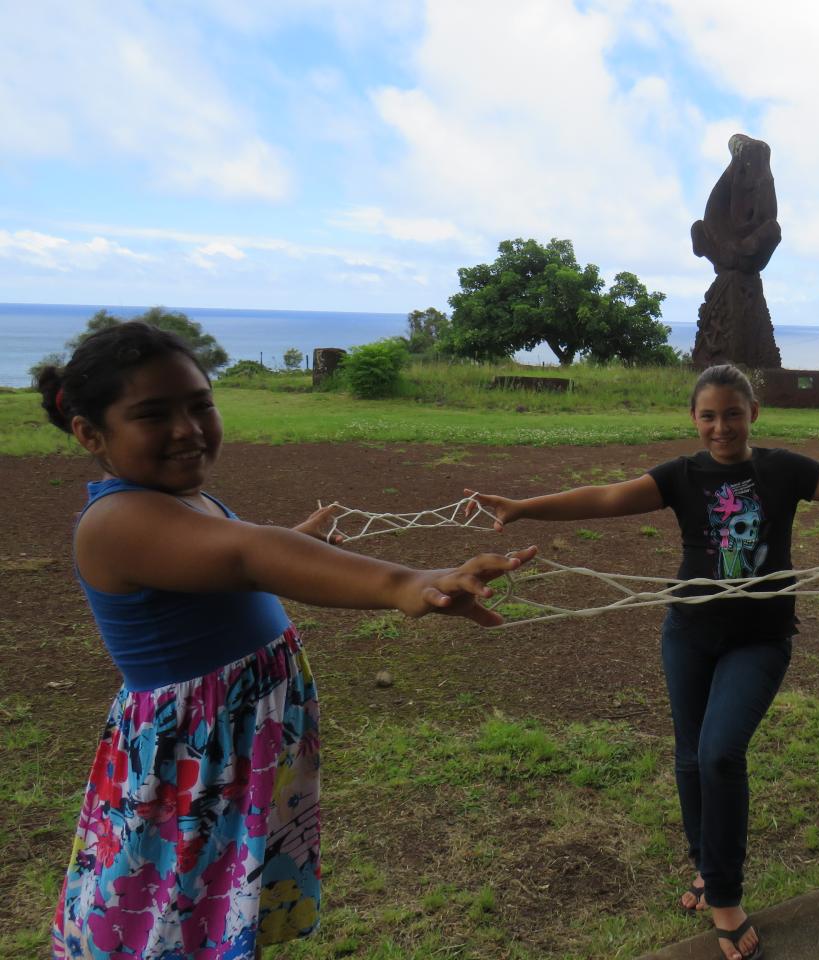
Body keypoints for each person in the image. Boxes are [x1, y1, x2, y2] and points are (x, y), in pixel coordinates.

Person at [463, 364, 819, 960]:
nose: (721, 427)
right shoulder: (681, 476)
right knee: (691, 756)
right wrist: (523, 507)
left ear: (753, 415)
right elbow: (607, 498)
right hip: (688, 633)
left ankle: (724, 895)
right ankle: (706, 867)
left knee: (720, 753)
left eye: (733, 414)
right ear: (694, 419)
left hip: (760, 638)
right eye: (709, 416)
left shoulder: (784, 470)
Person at [38, 321, 536, 960]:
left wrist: (299, 541)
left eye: (201, 404)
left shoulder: (188, 502)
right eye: (153, 414)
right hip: (190, 761)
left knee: (208, 909)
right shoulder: (116, 520)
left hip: (229, 747)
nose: (189, 428)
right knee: (161, 918)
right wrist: (411, 583)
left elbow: (230, 565)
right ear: (89, 433)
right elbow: (249, 555)